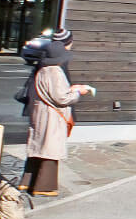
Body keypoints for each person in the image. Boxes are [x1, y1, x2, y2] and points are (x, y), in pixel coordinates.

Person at [22, 37, 92, 196]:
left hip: (40, 113)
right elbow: (62, 98)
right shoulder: (55, 72)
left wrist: (71, 88)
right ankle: (44, 186)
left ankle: (27, 182)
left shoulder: (41, 70)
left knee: (37, 148)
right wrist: (77, 92)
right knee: (50, 150)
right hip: (51, 116)